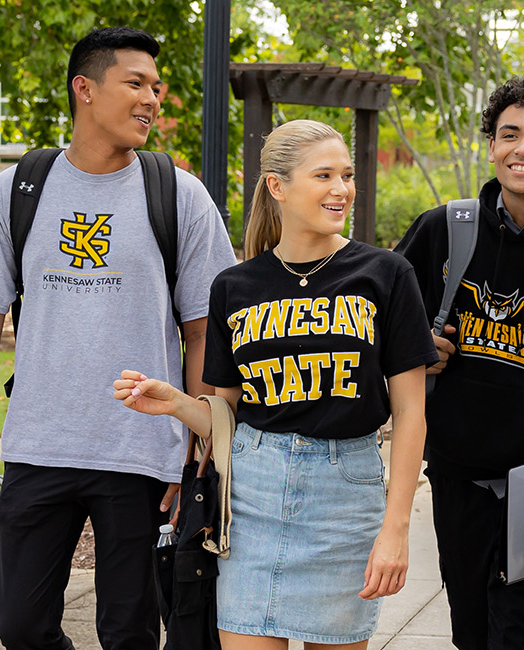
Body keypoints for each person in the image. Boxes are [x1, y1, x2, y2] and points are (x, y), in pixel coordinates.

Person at [0, 26, 237, 650]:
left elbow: (202, 331)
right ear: (85, 89)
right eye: (135, 83)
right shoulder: (19, 188)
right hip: (40, 445)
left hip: (140, 451)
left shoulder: (178, 195)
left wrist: (193, 447)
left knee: (129, 631)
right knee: (19, 625)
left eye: (155, 87)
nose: (152, 99)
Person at [113, 119, 437, 650]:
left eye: (348, 175)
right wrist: (174, 403)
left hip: (345, 495)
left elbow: (411, 413)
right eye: (324, 175)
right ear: (277, 186)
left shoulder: (386, 274)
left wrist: (395, 529)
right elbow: (223, 420)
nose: (342, 189)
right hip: (252, 499)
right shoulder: (234, 286)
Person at [392, 74, 524, 650]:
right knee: (469, 630)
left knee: (521, 630)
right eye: (509, 134)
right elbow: (377, 325)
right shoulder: (443, 228)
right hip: (456, 471)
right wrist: (416, 350)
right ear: (491, 146)